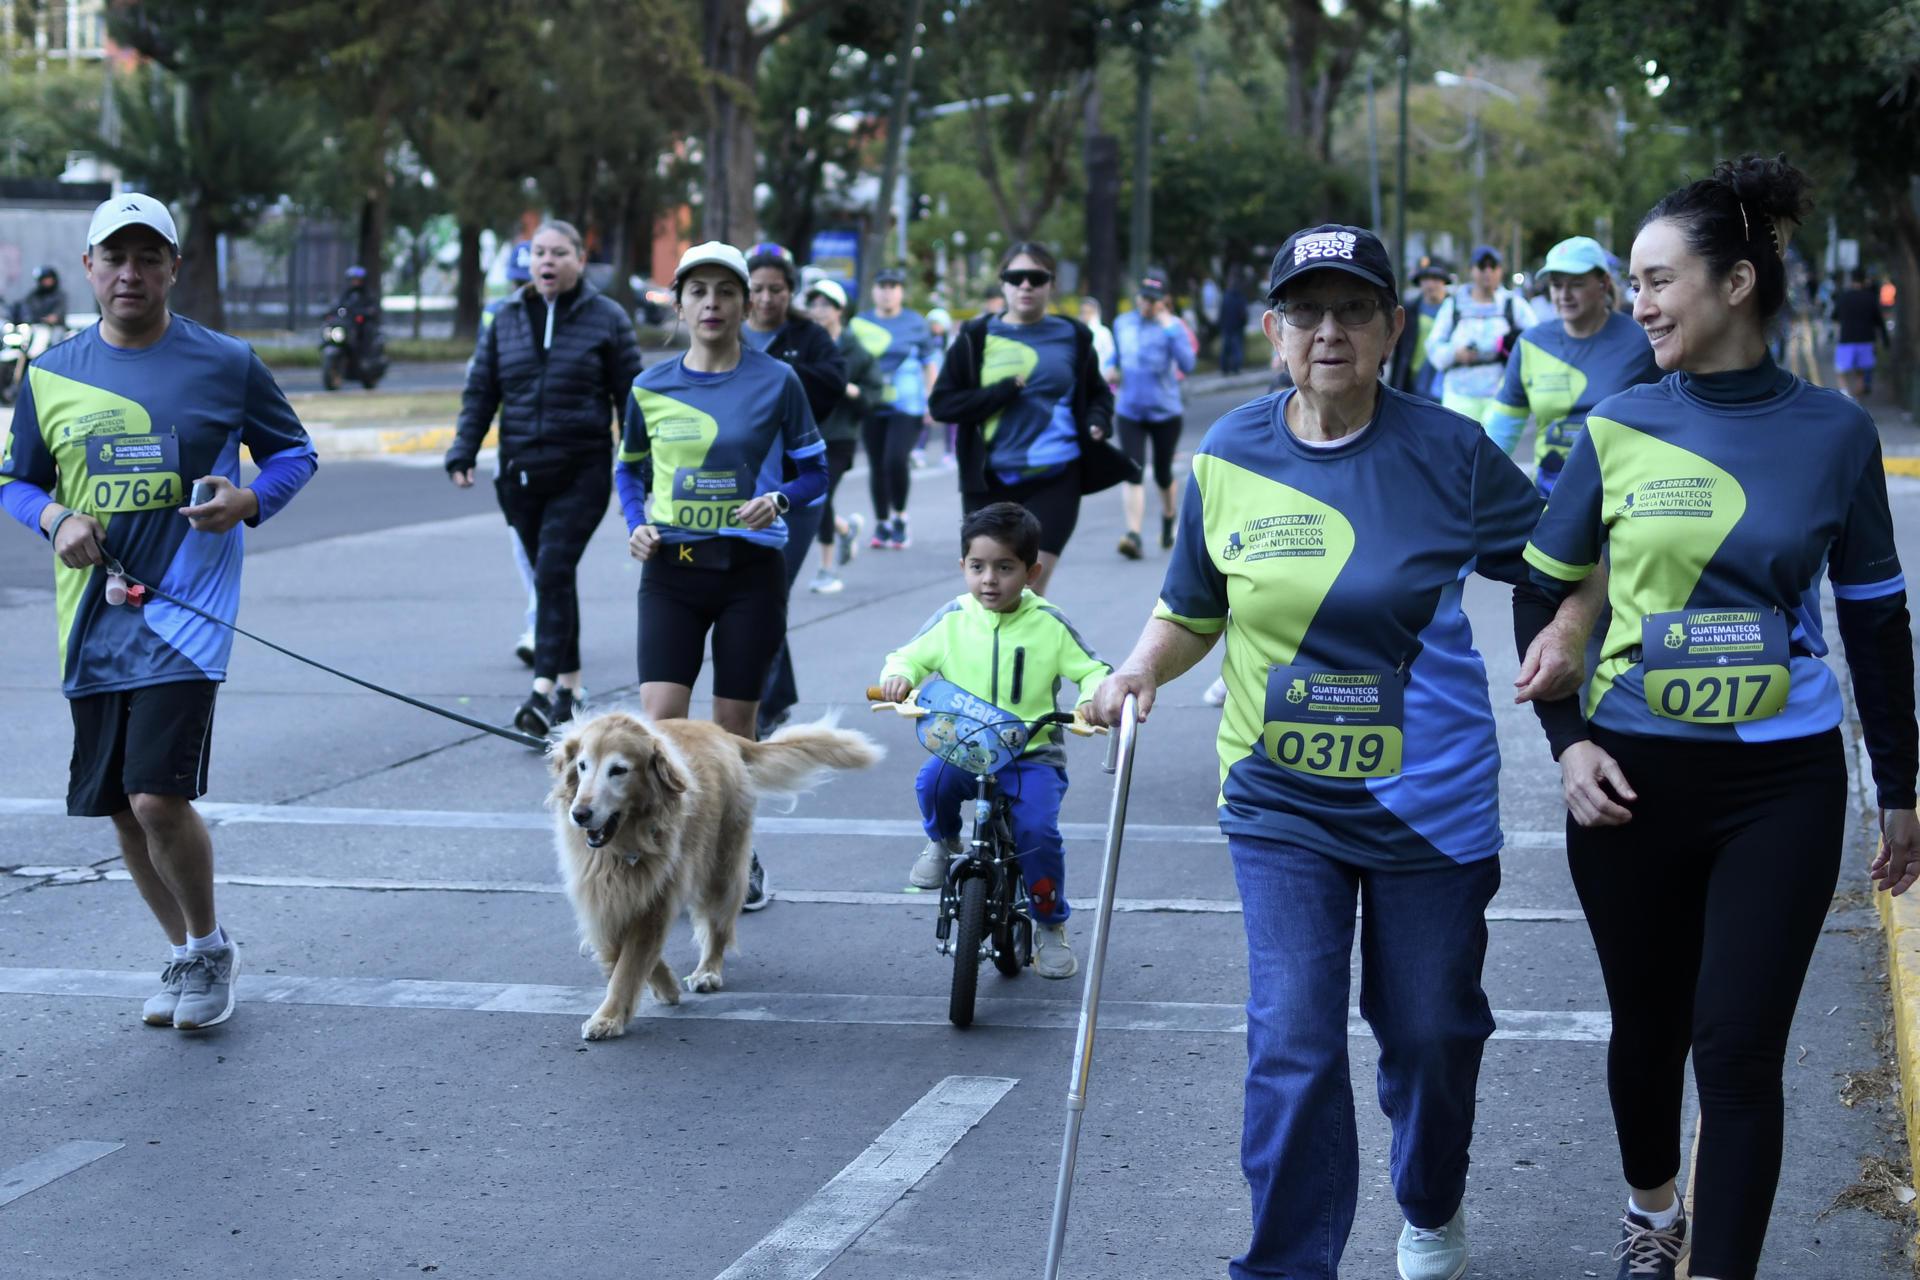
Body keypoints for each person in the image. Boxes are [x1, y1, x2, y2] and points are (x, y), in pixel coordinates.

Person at [1085, 223, 1595, 1280]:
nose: (1329, 330)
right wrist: (1139, 668)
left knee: (1431, 1033)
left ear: (1392, 330)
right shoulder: (1228, 452)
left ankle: (1430, 1196)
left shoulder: (1448, 452)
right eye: (1306, 311)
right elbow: (1193, 604)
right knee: (1293, 1038)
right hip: (1281, 799)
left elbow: (1566, 554)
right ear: (1274, 332)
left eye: (1354, 309)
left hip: (1430, 802)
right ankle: (1285, 1264)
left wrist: (1572, 626)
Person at [1516, 155, 1918, 1280]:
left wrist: (1902, 785)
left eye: (1655, 279)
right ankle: (1653, 1215)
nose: (1635, 301)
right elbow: (1538, 589)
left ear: (1735, 282)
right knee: (1647, 1035)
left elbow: (1878, 623)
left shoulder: (1835, 435)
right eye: (1632, 282)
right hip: (1631, 778)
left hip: (1780, 784)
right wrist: (1570, 743)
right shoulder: (1617, 421)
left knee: (1737, 1051)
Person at [0, 193, 317, 1031]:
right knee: (115, 805)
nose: (131, 274)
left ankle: (209, 947)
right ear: (90, 269)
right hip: (90, 624)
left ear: (175, 268)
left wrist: (248, 499)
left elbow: (295, 452)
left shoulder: (225, 362)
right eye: (116, 258)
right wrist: (55, 518)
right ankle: (187, 950)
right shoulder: (53, 373)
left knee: (154, 799)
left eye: (149, 258)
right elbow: (15, 478)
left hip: (187, 618)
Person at [618, 241, 829, 912]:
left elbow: (814, 471)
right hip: (672, 572)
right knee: (660, 729)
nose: (712, 303)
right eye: (698, 291)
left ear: (745, 304)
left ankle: (738, 854)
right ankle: (658, 850)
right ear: (679, 304)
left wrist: (782, 499)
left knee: (734, 736)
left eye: (726, 291)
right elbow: (628, 467)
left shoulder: (778, 381)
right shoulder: (649, 386)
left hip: (749, 572)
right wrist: (635, 522)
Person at [876, 502, 1109, 976]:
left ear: (1031, 571)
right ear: (962, 566)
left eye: (1005, 568)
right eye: (978, 567)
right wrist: (898, 677)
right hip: (964, 747)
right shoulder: (952, 618)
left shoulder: (1050, 623)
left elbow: (1094, 671)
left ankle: (1049, 924)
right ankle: (943, 842)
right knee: (932, 784)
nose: (989, 580)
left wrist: (1091, 701)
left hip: (1031, 755)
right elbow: (908, 656)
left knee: (1037, 833)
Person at [445, 220, 642, 737]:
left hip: (582, 471)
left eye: (558, 253)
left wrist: (637, 473)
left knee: (553, 570)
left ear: (580, 259)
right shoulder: (505, 318)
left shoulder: (607, 318)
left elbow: (632, 401)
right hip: (519, 474)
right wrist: (463, 449)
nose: (547, 262)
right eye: (538, 253)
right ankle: (572, 689)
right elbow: (482, 391)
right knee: (551, 580)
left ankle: (541, 691)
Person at [929, 241, 1128, 598]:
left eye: (1035, 278)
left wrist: (1098, 420)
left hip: (1055, 475)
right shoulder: (976, 337)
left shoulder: (1074, 335)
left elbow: (1098, 392)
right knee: (990, 594)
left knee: (1028, 590)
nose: (1025, 286)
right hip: (989, 481)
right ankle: (993, 655)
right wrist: (1000, 393)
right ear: (1003, 283)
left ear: (1051, 284)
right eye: (1015, 277)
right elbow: (943, 404)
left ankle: (1026, 655)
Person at [742, 242, 849, 738]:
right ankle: (778, 694)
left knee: (768, 589)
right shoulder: (727, 332)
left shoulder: (807, 337)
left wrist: (777, 373)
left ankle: (761, 704)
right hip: (737, 485)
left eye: (776, 290)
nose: (766, 299)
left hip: (795, 488)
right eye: (757, 289)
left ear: (791, 292)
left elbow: (831, 388)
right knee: (756, 593)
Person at [1483, 236, 1660, 497]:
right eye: (1556, 285)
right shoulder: (1531, 343)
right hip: (1550, 495)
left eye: (1576, 284)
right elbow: (1502, 430)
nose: (1564, 295)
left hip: (1624, 495)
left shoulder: (1642, 340)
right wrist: (1472, 483)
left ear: (1603, 284)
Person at [850, 267, 939, 549]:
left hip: (907, 404)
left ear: (901, 291)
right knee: (876, 464)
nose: (887, 291)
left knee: (894, 459)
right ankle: (882, 522)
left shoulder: (915, 322)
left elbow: (928, 363)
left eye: (893, 286)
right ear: (874, 290)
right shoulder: (860, 323)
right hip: (872, 403)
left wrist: (931, 400)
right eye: (882, 286)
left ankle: (900, 516)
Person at [483, 241, 541, 669]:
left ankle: (543, 630)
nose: (525, 288)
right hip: (515, 455)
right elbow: (480, 381)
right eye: (519, 281)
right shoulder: (498, 316)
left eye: (530, 280)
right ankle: (547, 624)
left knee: (553, 556)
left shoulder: (573, 317)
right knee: (525, 549)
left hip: (566, 461)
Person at [1112, 268, 1195, 559]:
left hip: (1165, 411)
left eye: (1154, 299)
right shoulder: (1123, 323)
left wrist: (1169, 327)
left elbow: (1188, 364)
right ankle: (1133, 534)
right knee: (1132, 469)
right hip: (1130, 410)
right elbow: (1115, 356)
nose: (1147, 304)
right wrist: (1111, 368)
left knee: (1162, 473)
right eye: (1144, 297)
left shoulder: (1173, 326)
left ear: (1164, 300)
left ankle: (1168, 517)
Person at [804, 278, 879, 595]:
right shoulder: (806, 345)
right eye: (814, 304)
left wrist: (851, 390)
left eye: (825, 305)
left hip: (840, 437)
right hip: (807, 436)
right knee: (811, 497)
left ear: (839, 310)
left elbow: (874, 395)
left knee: (821, 496)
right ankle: (845, 530)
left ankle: (826, 569)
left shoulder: (856, 350)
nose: (818, 311)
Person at [1424, 245, 1538, 431]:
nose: (1488, 272)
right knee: (1459, 454)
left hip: (1501, 396)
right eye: (1481, 266)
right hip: (1459, 395)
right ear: (1472, 270)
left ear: (1501, 270)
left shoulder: (1514, 305)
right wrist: (1455, 353)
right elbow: (1433, 345)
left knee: (1496, 454)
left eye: (1493, 266)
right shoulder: (1453, 305)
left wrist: (1511, 348)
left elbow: (1535, 342)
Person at [1389, 260, 1451, 401]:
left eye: (1435, 279)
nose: (1430, 284)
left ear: (1444, 282)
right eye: (1426, 279)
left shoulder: (1455, 310)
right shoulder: (1409, 310)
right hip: (1414, 382)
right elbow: (1400, 353)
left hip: (1445, 381)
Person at [1833, 267, 1888, 400]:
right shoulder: (1871, 298)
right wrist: (1886, 339)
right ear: (1865, 280)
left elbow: (1834, 316)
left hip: (1847, 339)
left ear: (1851, 280)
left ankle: (1845, 394)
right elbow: (1879, 321)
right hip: (1866, 340)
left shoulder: (1844, 297)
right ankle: (1856, 399)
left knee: (1841, 370)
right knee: (1861, 372)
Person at [1079, 295, 1119, 388]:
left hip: (1101, 378)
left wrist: (1109, 372)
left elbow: (1111, 355)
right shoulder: (1078, 332)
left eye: (1088, 312)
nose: (1085, 316)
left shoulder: (1103, 333)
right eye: (1083, 312)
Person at [1217, 271, 1250, 374]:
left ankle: (1225, 368)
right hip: (1236, 327)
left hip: (1227, 326)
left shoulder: (1226, 296)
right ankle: (1235, 368)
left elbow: (1222, 312)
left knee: (1226, 348)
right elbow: (1243, 313)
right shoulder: (1240, 297)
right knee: (1237, 348)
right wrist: (1243, 323)